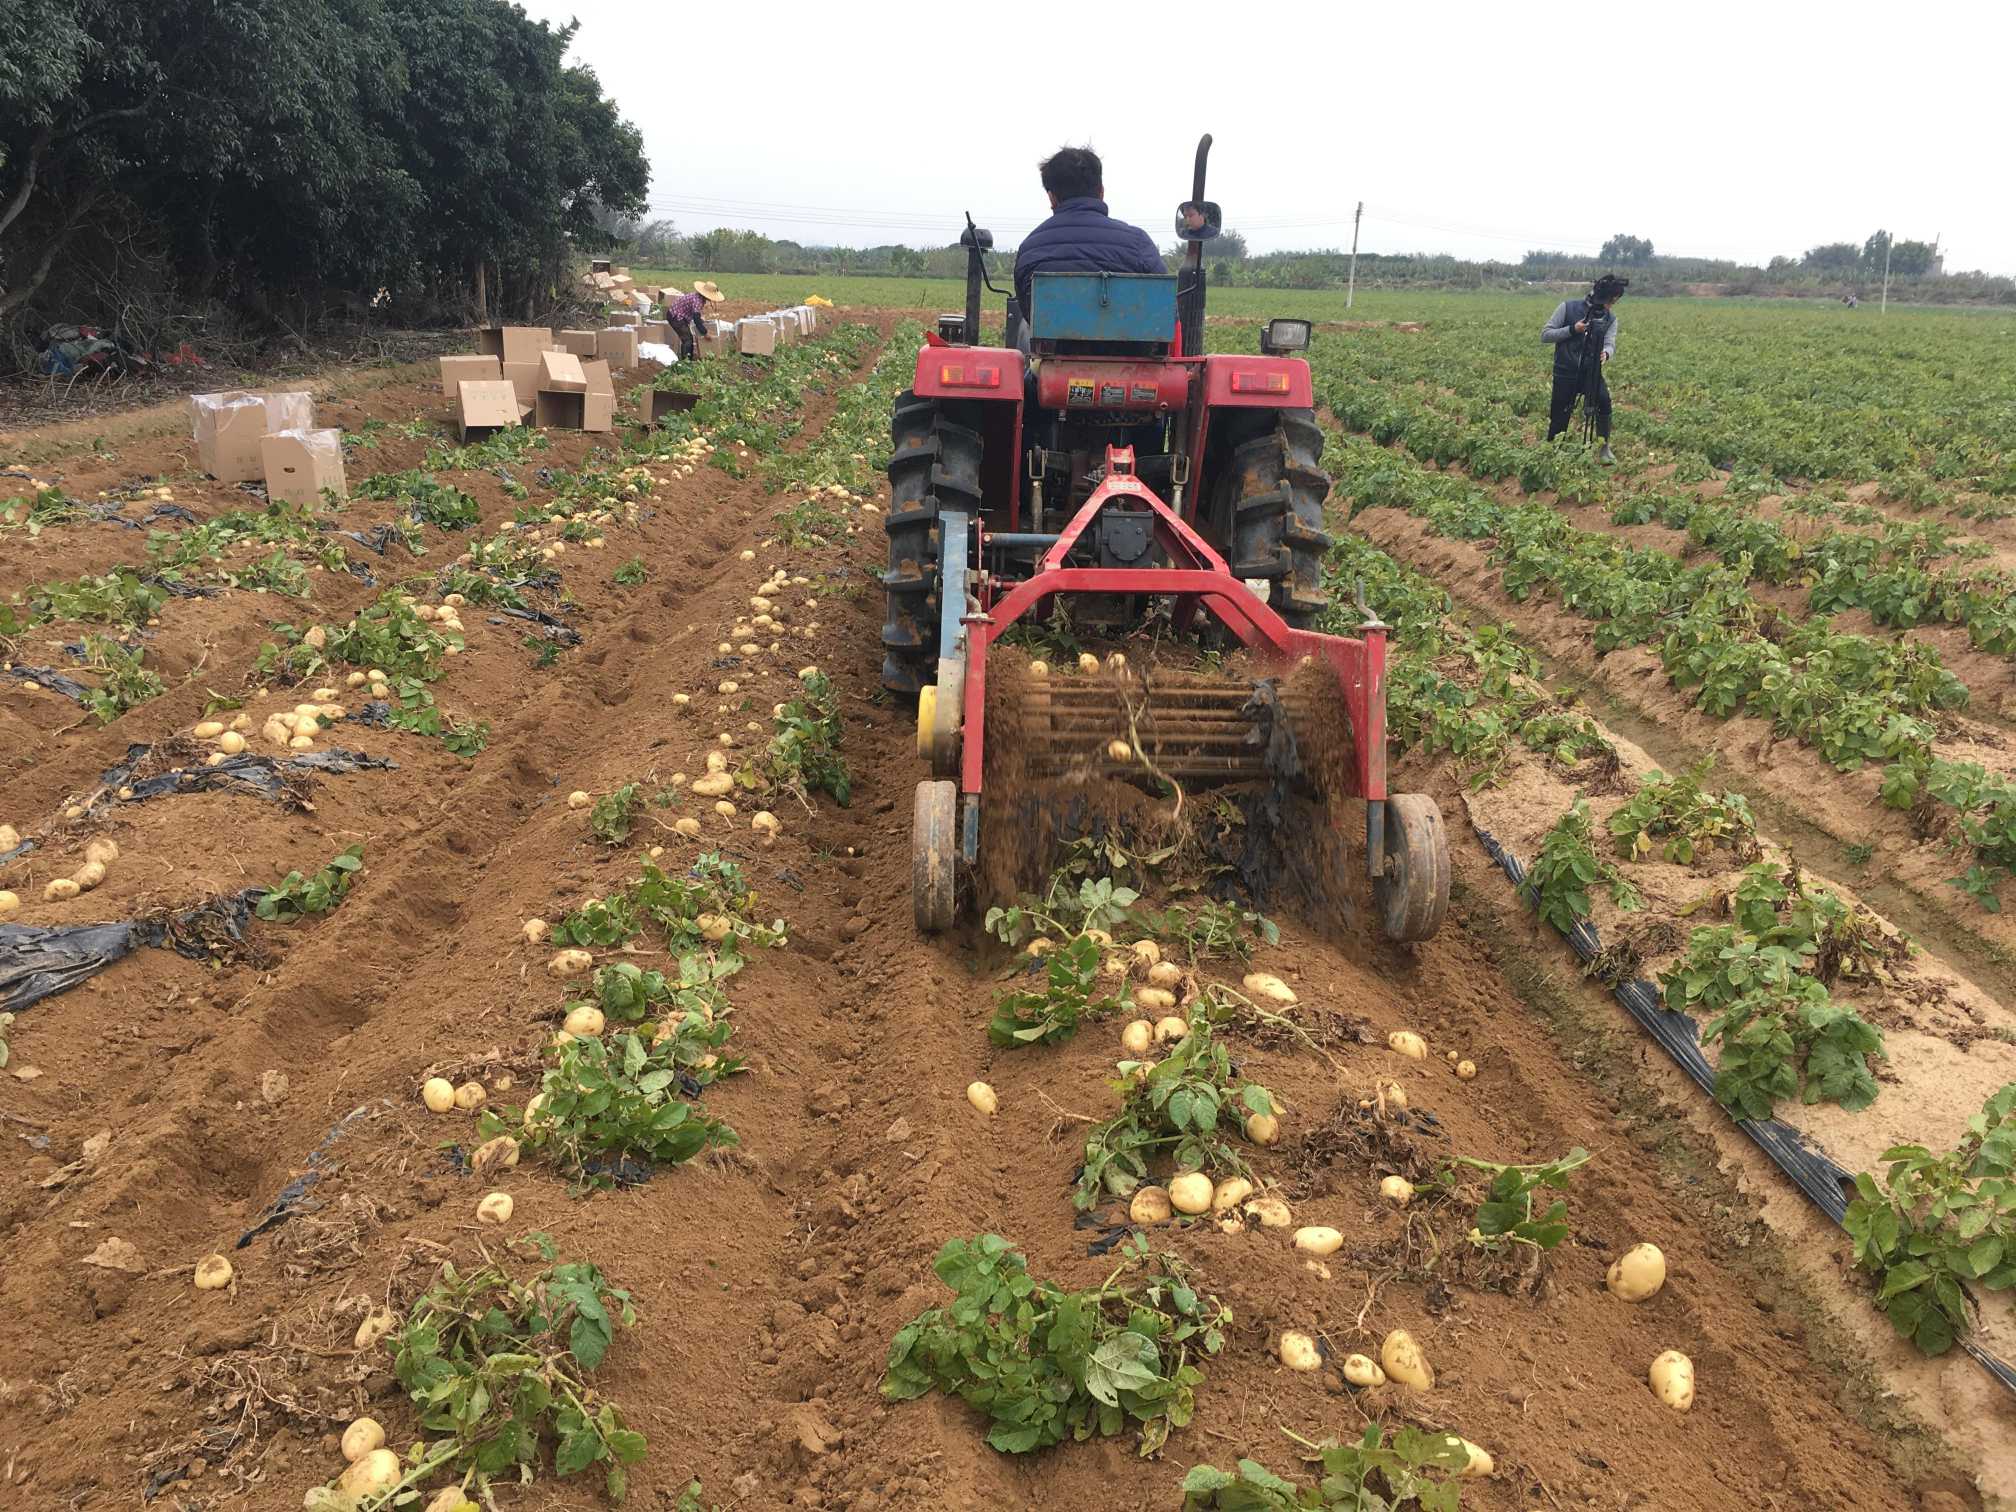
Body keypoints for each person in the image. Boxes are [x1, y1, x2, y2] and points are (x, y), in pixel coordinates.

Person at [1012, 146, 1165, 325]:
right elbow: (1166, 311)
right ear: (1101, 191)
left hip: (1052, 351)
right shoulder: (1139, 243)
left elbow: (1029, 314)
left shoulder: (1030, 248)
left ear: (1052, 197)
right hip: (1133, 351)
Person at [1542, 273, 1628, 463]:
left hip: (1591, 372)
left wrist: (1606, 354)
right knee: (1560, 412)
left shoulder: (1611, 319)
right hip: (1565, 370)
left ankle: (1604, 448)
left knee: (1604, 401)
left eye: (1613, 303)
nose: (1609, 306)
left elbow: (1610, 343)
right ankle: (1553, 450)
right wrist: (1573, 329)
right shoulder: (1567, 307)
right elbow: (1546, 334)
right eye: (1610, 302)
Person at [666, 280, 724, 360]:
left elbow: (696, 316)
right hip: (675, 316)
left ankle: (688, 359)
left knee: (687, 338)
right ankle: (685, 362)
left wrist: (701, 321)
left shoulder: (698, 297)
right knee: (687, 339)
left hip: (678, 315)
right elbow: (696, 319)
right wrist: (705, 333)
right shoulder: (698, 301)